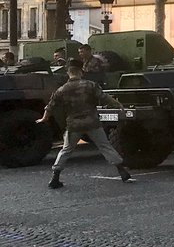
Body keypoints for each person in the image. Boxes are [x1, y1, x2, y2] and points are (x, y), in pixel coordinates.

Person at [37, 59, 132, 189]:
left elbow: (50, 106)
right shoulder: (90, 85)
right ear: (81, 71)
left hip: (73, 125)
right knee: (105, 146)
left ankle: (55, 177)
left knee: (66, 150)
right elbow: (105, 98)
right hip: (92, 122)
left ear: (68, 72)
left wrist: (44, 118)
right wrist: (119, 106)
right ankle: (122, 171)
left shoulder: (62, 89)